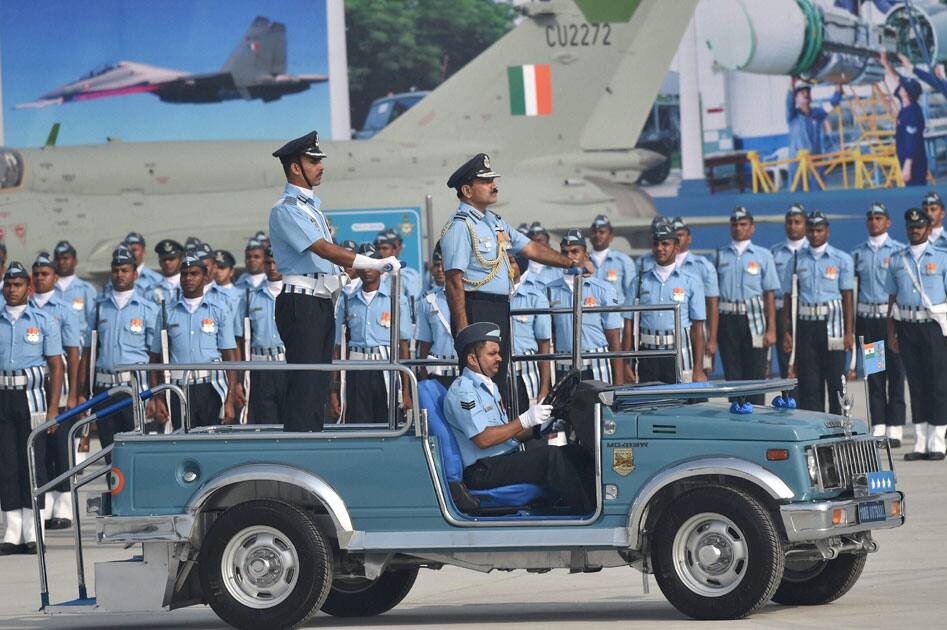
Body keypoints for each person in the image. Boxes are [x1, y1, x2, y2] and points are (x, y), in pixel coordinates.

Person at [268, 131, 397, 432]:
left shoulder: (312, 208)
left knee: (318, 383)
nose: (320, 166)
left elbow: (324, 263)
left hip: (320, 301)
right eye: (313, 161)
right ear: (295, 167)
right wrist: (373, 262)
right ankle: (300, 443)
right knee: (305, 383)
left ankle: (311, 437)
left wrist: (345, 274)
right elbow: (324, 249)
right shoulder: (287, 208)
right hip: (301, 302)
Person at [440, 153, 579, 408]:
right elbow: (453, 281)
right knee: (480, 374)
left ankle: (501, 433)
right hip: (476, 306)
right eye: (486, 181)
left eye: (493, 180)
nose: (494, 186)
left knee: (498, 374)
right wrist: (464, 330)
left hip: (499, 307)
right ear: (467, 190)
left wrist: (568, 263)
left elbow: (531, 249)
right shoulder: (460, 226)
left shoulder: (495, 222)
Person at [443, 322, 594, 514]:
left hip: (500, 461)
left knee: (575, 452)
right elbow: (484, 438)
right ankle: (585, 514)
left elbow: (507, 434)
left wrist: (544, 426)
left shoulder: (488, 387)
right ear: (473, 359)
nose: (499, 358)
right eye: (492, 354)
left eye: (498, 353)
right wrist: (525, 420)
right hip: (481, 470)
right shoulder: (464, 392)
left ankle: (596, 507)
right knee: (551, 457)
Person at [0, 263, 63, 555]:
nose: (12, 290)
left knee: (32, 465)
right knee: (7, 466)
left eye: (17, 285)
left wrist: (53, 409)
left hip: (32, 399)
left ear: (29, 288)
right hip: (3, 397)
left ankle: (34, 530)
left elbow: (56, 365)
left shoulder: (44, 320)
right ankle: (12, 531)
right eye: (8, 285)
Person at [146, 254, 240, 429]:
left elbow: (230, 357)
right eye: (184, 274)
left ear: (205, 277)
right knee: (183, 445)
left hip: (210, 387)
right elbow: (155, 358)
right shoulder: (167, 312)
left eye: (194, 273)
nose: (188, 278)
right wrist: (157, 398)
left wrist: (230, 399)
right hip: (178, 389)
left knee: (212, 443)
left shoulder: (218, 310)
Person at [886, 208, 947, 461]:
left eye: (920, 226)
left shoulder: (942, 257)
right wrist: (891, 333)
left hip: (932, 326)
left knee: (937, 383)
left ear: (928, 229)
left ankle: (937, 442)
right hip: (907, 326)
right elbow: (891, 298)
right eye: (911, 227)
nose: (915, 230)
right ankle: (921, 443)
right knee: (917, 384)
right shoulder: (897, 259)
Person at [329, 243, 412, 423]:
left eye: (372, 264)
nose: (367, 270)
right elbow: (338, 347)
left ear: (381, 268)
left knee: (388, 421)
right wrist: (334, 389)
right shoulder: (347, 300)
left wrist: (406, 391)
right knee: (359, 422)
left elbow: (404, 346)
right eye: (363, 265)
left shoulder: (396, 299)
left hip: (387, 369)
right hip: (358, 371)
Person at [30, 253, 83, 530]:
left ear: (55, 277)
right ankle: (46, 502)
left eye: (45, 273)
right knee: (42, 450)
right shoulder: (24, 307)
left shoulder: (63, 310)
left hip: (59, 390)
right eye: (36, 273)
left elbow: (73, 354)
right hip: (34, 390)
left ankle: (63, 504)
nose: (40, 278)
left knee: (61, 449)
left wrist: (74, 393)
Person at [782, 211, 854, 414]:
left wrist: (849, 332)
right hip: (806, 324)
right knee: (809, 382)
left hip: (833, 326)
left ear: (827, 232)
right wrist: (787, 330)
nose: (815, 234)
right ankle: (815, 430)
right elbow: (789, 297)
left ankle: (838, 428)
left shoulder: (841, 259)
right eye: (811, 230)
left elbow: (848, 297)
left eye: (819, 230)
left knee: (835, 380)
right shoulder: (796, 260)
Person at [88, 247, 158, 448]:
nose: (120, 274)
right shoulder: (100, 307)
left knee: (135, 448)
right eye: (116, 270)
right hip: (104, 388)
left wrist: (155, 395)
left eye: (125, 270)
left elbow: (155, 355)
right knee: (108, 451)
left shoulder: (147, 309)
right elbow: (90, 350)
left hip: (133, 388)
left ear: (135, 274)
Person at [625, 222, 706, 384]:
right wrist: (626, 363)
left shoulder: (691, 281)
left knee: (682, 404)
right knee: (649, 405)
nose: (660, 248)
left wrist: (698, 368)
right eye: (656, 244)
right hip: (647, 355)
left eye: (665, 244)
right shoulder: (639, 281)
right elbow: (629, 324)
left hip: (680, 354)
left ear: (676, 247)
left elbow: (697, 328)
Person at [852, 203, 906, 444]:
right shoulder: (858, 254)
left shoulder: (898, 252)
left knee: (896, 373)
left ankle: (895, 426)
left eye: (879, 217)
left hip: (890, 320)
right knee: (875, 374)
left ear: (888, 222)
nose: (874, 221)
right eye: (871, 217)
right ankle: (879, 425)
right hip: (870, 321)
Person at [714, 207, 780, 403]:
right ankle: (736, 418)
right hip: (727, 319)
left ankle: (757, 417)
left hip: (754, 320)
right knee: (732, 375)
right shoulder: (719, 256)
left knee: (755, 374)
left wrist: (772, 329)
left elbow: (769, 294)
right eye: (734, 224)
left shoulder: (763, 255)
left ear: (752, 228)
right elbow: (713, 298)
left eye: (743, 224)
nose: (738, 228)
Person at [545, 230, 624, 386]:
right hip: (564, 363)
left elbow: (614, 337)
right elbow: (550, 336)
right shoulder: (549, 290)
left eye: (575, 251)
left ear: (585, 255)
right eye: (564, 252)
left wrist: (619, 382)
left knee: (599, 409)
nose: (569, 256)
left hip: (597, 364)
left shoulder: (603, 289)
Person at [236, 247, 287, 424]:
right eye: (268, 263)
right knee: (267, 419)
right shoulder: (251, 297)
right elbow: (240, 339)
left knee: (290, 417)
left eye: (276, 263)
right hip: (260, 366)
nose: (272, 267)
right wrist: (240, 378)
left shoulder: (292, 295)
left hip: (287, 363)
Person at [509, 253, 552, 410]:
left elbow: (544, 346)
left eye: (511, 261)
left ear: (521, 266)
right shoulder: (492, 298)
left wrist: (544, 388)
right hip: (500, 373)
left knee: (529, 429)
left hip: (526, 375)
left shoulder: (535, 298)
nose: (506, 266)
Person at [770, 204, 808, 379]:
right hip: (782, 313)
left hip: (808, 315)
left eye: (797, 222)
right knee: (788, 365)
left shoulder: (815, 252)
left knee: (809, 366)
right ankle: (791, 404)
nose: (793, 226)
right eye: (790, 222)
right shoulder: (774, 253)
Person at [879, 50, 928, 186]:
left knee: (916, 191)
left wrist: (908, 164)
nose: (900, 87)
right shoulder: (906, 103)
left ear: (906, 93)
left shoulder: (912, 114)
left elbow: (912, 141)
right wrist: (885, 63)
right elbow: (896, 80)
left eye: (903, 87)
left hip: (914, 162)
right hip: (906, 158)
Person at [785, 79, 842, 181]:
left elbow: (833, 103)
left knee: (817, 189)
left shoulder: (818, 114)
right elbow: (789, 102)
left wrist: (838, 83)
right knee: (797, 192)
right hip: (797, 162)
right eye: (802, 92)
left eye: (808, 92)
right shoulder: (793, 116)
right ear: (796, 99)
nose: (806, 94)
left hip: (816, 160)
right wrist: (792, 84)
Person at [416, 245, 458, 380]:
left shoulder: (473, 298)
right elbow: (424, 344)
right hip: (437, 372)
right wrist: (423, 380)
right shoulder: (427, 301)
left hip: (463, 369)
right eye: (436, 265)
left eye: (443, 264)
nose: (440, 269)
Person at [53, 240, 96, 349]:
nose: (62, 262)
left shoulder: (85, 290)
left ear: (75, 261)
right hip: (53, 348)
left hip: (79, 348)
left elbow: (93, 323)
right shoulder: (49, 290)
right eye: (58, 259)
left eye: (66, 258)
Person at [588, 215, 636, 305]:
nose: (597, 235)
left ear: (611, 236)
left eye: (602, 232)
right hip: (590, 316)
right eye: (594, 232)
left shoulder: (623, 262)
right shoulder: (584, 262)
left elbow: (631, 296)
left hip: (615, 316)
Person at [523, 222, 565, 287]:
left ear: (548, 244)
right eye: (532, 241)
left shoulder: (558, 269)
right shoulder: (520, 266)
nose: (536, 245)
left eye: (539, 241)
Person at [150, 239, 184, 305]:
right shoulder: (151, 290)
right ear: (159, 262)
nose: (167, 262)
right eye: (164, 259)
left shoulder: (190, 286)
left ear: (181, 260)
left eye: (171, 259)